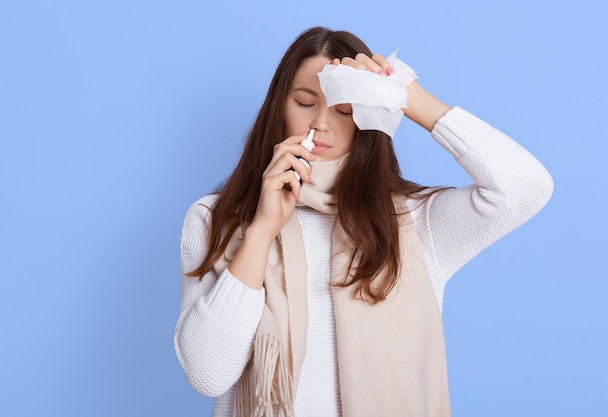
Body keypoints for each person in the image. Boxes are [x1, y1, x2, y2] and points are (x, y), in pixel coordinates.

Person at [174, 27, 553, 417]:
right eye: (304, 102)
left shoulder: (413, 220)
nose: (321, 123)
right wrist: (262, 229)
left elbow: (526, 188)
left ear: (368, 116)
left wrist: (409, 96)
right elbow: (208, 374)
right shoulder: (213, 218)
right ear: (280, 106)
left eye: (344, 108)